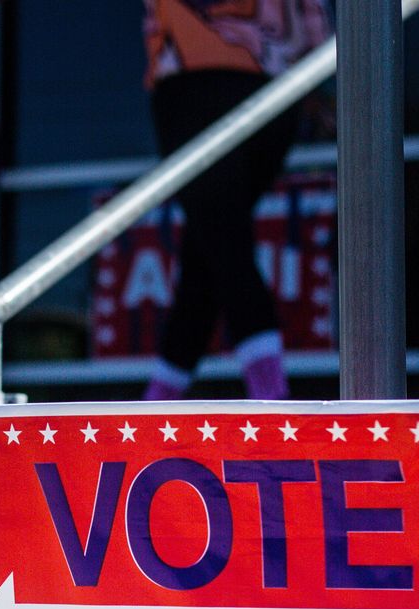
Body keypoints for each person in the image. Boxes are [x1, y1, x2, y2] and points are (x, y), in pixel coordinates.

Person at [139, 0, 330, 401]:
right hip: (276, 80)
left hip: (202, 82)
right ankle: (157, 403)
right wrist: (320, 65)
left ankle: (273, 402)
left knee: (222, 244)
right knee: (209, 251)